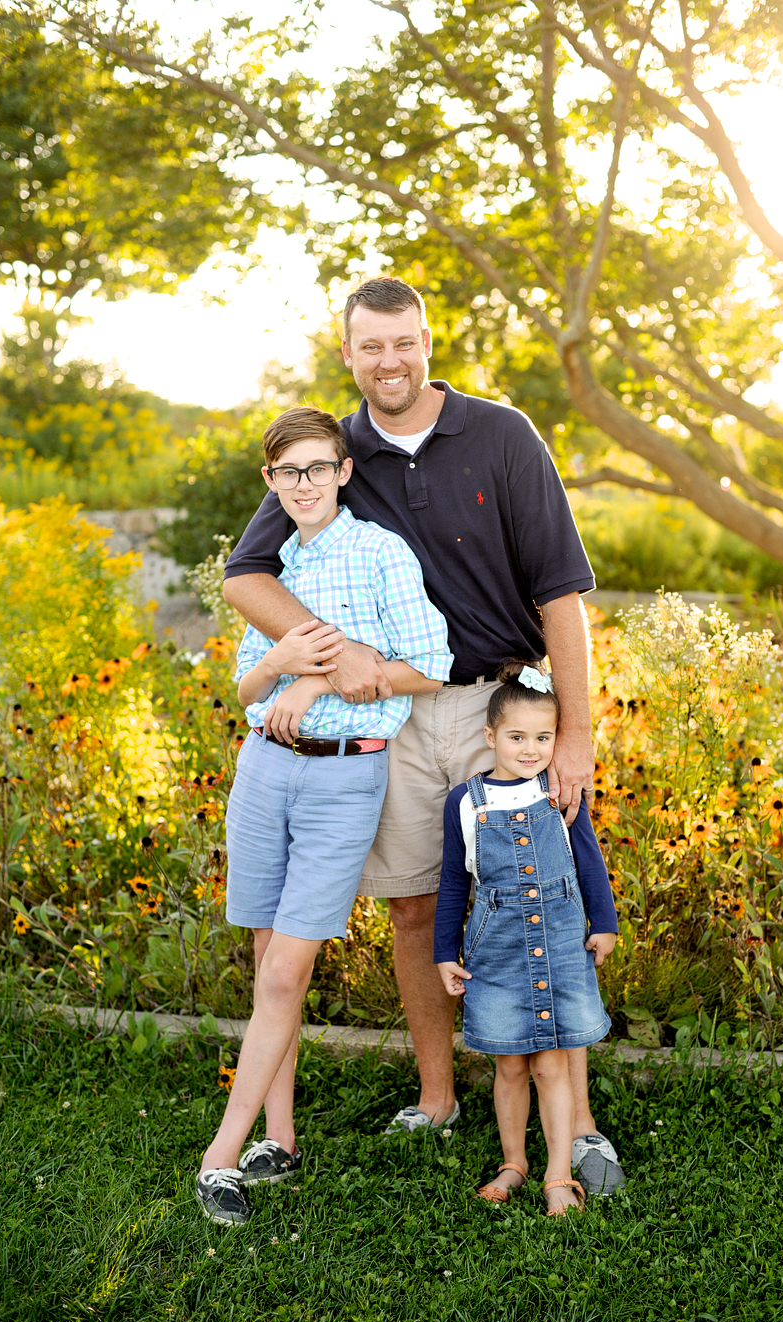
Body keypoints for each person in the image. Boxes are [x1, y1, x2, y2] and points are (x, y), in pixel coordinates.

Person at [223, 276, 626, 1195]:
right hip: (395, 718)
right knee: (412, 906)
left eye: (404, 343)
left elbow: (561, 596)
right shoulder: (333, 451)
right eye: (371, 347)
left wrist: (573, 737)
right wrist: (337, 655)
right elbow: (247, 575)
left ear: (427, 341)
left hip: (503, 707)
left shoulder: (501, 434)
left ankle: (580, 1125)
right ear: (349, 354)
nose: (389, 362)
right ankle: (439, 1097)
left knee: (540, 902)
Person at [196, 405, 452, 1225]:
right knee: (269, 954)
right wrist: (279, 662)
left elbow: (431, 663)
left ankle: (220, 1157)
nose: (303, 483)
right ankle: (281, 1137)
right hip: (264, 772)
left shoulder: (380, 553)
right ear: (270, 483)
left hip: (346, 780)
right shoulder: (273, 567)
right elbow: (243, 689)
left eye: (318, 468)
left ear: (344, 471)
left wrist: (320, 676)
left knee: (284, 970)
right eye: (286, 472)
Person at [435, 663, 618, 1215]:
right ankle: (513, 1162)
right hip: (497, 954)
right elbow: (452, 884)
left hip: (560, 947)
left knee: (552, 1065)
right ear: (491, 737)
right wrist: (447, 952)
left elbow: (589, 860)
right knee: (511, 1065)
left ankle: (558, 1175)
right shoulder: (465, 804)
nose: (531, 748)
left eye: (544, 737)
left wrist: (603, 922)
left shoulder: (559, 790)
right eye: (517, 737)